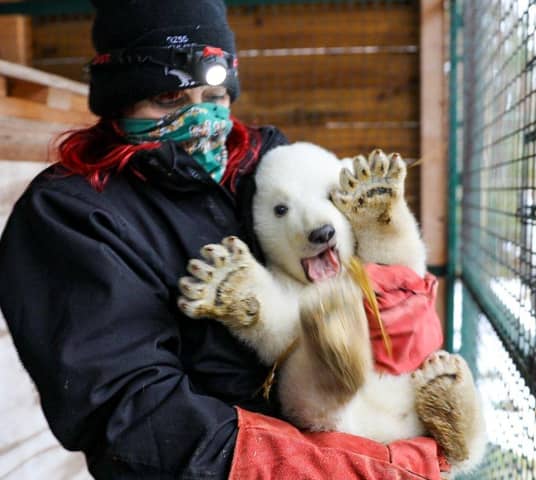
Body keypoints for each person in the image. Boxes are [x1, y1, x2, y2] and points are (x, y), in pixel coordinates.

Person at [0, 0, 448, 478]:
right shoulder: (73, 214)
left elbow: (356, 287)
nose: (200, 120)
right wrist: (342, 469)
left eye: (213, 94)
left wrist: (400, 317)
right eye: (169, 99)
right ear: (119, 100)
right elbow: (131, 419)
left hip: (354, 422)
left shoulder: (266, 163)